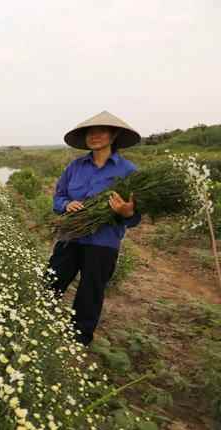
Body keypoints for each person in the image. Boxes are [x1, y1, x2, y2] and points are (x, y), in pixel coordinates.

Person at [48, 111, 142, 346]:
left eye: (101, 131)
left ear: (114, 135)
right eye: (90, 132)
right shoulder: (75, 167)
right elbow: (58, 197)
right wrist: (66, 204)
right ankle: (35, 324)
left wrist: (126, 213)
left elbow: (135, 216)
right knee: (51, 282)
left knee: (90, 293)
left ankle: (78, 342)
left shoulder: (128, 172)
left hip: (103, 243)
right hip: (71, 236)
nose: (95, 136)